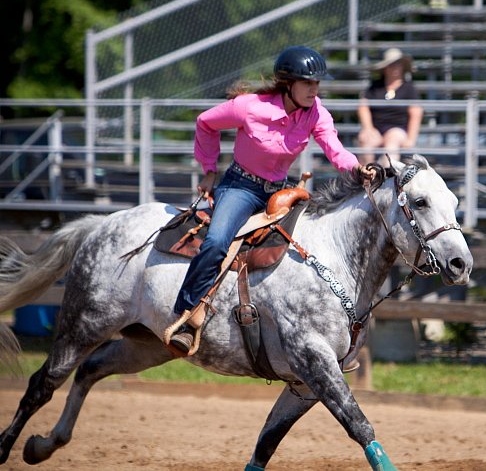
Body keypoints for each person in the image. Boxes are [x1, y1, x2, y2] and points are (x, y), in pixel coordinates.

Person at [167, 45, 377, 355]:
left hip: (280, 191)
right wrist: (209, 170)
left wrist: (357, 169)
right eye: (307, 83)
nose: (314, 90)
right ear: (288, 84)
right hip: (241, 188)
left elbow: (335, 149)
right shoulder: (250, 107)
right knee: (215, 243)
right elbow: (205, 122)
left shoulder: (316, 111)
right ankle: (184, 316)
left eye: (317, 84)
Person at [357, 48, 423, 164]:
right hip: (376, 129)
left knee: (392, 141)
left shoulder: (409, 88)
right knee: (365, 139)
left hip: (398, 129)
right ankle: (366, 176)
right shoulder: (375, 86)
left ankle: (388, 177)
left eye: (398, 64)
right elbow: (363, 106)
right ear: (385, 68)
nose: (395, 67)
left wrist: (411, 139)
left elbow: (416, 112)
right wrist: (368, 128)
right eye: (391, 64)